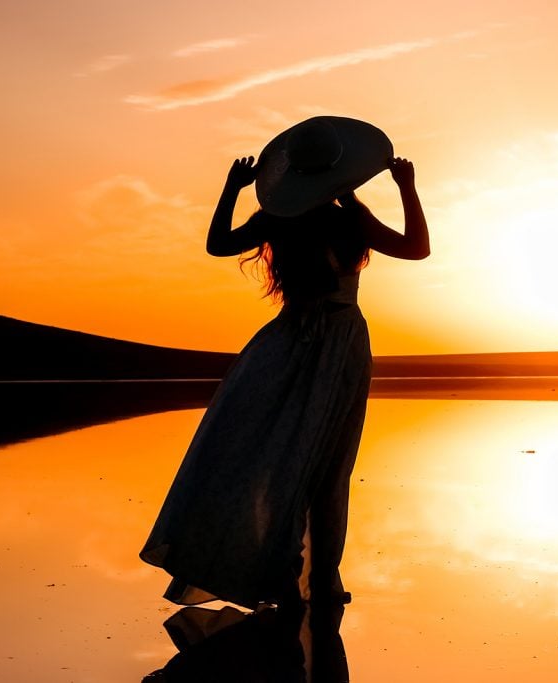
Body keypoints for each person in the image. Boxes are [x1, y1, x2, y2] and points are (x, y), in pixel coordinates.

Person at [140, 117, 429, 613]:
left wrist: (232, 190)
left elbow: (217, 243)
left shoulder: (281, 219)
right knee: (326, 467)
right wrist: (407, 188)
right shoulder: (349, 221)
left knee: (273, 457)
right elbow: (417, 247)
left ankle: (290, 577)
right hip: (337, 342)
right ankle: (312, 580)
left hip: (288, 342)